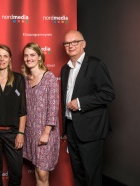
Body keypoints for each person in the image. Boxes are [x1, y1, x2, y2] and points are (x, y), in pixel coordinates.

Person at [61, 30, 115, 186]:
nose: (70, 46)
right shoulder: (65, 69)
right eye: (67, 43)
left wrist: (80, 103)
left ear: (83, 44)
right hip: (71, 128)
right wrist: (65, 129)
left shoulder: (96, 65)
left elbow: (108, 94)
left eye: (74, 42)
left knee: (92, 175)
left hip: (91, 130)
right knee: (78, 174)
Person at [0, 44, 27, 186]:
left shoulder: (18, 79)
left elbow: (23, 109)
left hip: (13, 133)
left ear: (10, 59)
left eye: (5, 56)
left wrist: (21, 132)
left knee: (16, 173)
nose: (2, 59)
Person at [22, 42, 60, 186]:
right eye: (26, 55)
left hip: (45, 133)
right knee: (38, 172)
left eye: (32, 55)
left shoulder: (49, 77)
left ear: (39, 57)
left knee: (43, 173)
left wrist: (46, 132)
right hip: (31, 132)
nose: (29, 58)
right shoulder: (26, 79)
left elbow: (53, 107)